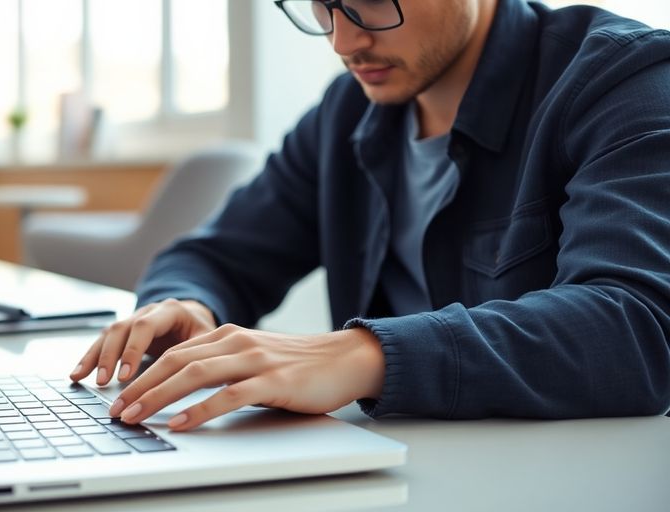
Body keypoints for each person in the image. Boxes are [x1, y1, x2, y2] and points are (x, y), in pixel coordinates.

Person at [68, 0, 670, 431]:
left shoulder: (623, 79)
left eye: (373, 1)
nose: (342, 41)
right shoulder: (345, 114)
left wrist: (366, 355)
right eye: (324, 5)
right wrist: (187, 306)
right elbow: (213, 255)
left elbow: (638, 328)